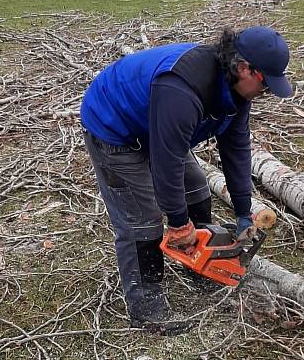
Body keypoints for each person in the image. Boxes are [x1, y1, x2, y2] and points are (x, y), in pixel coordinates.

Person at [80, 26, 292, 335]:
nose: (267, 92)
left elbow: (236, 151)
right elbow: (167, 160)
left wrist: (243, 213)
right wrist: (178, 223)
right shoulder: (183, 88)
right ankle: (146, 309)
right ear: (244, 67)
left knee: (195, 187)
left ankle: (199, 264)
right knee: (143, 221)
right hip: (114, 127)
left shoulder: (237, 93)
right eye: (266, 84)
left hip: (157, 126)